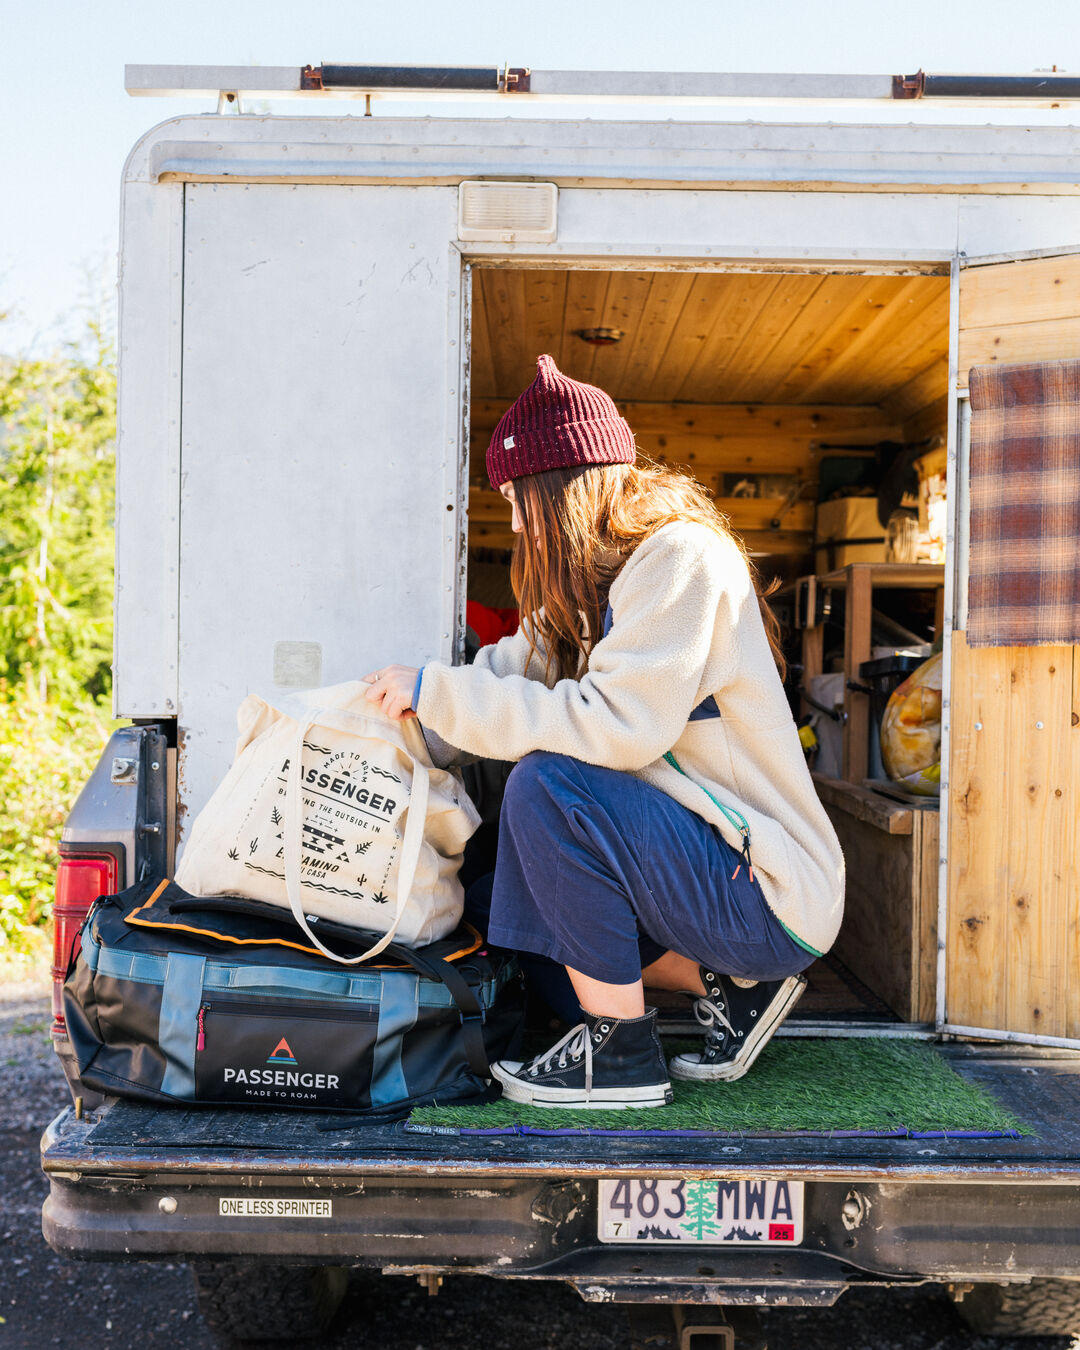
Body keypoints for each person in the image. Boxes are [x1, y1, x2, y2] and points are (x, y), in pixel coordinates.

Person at [364, 355, 844, 1110]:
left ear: (561, 489)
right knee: (501, 907)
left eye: (521, 501)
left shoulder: (681, 561)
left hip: (773, 889)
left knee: (550, 785)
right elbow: (504, 671)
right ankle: (723, 985)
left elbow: (619, 729)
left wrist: (439, 696)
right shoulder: (592, 591)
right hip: (712, 866)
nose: (517, 522)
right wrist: (398, 722)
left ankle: (621, 1054)